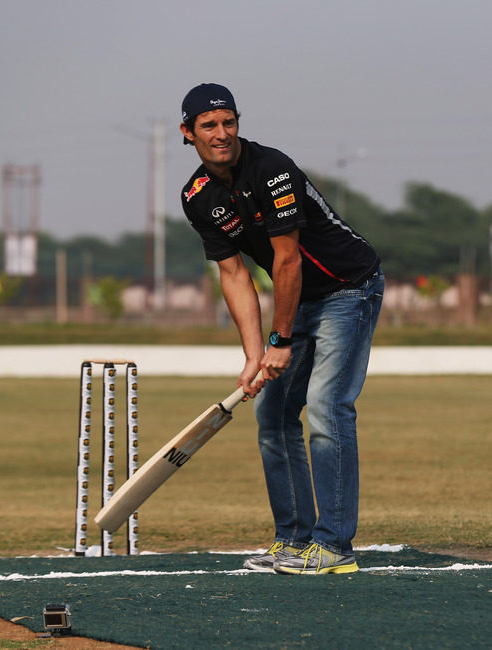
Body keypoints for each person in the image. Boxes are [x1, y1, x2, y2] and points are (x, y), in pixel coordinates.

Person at [179, 83, 383, 575]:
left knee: (327, 407)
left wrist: (279, 342)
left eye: (229, 122)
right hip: (303, 301)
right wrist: (253, 355)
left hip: (348, 288)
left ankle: (334, 547)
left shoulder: (272, 169)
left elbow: (286, 260)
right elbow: (234, 275)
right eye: (209, 125)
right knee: (272, 415)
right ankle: (293, 540)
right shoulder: (198, 196)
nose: (222, 133)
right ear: (188, 134)